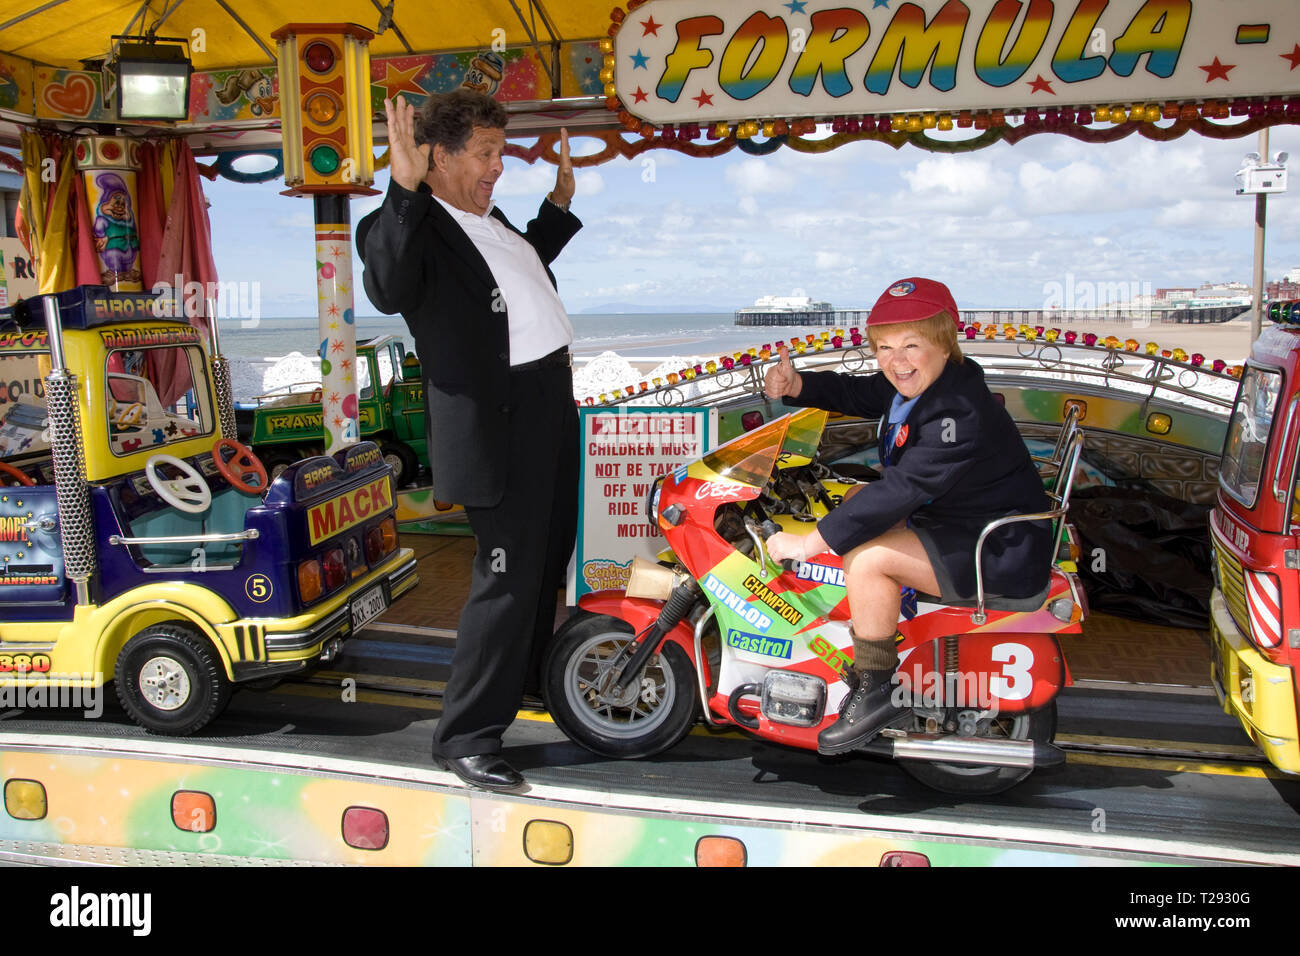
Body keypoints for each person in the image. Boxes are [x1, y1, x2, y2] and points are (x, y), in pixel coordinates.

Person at [357, 90, 581, 792]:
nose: (496, 168)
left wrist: (558, 207)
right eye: (484, 154)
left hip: (549, 405)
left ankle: (531, 683)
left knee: (547, 563)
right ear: (438, 156)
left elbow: (512, 277)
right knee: (508, 577)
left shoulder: (492, 220)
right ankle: (468, 736)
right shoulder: (405, 225)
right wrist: (401, 186)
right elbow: (389, 285)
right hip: (499, 419)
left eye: (501, 153)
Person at [763, 277, 1051, 754]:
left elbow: (906, 487)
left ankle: (874, 689)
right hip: (965, 522)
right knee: (856, 503)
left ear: (944, 343)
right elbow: (862, 395)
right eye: (884, 347)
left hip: (994, 548)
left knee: (867, 557)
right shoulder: (930, 385)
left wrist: (811, 542)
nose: (896, 361)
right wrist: (797, 385)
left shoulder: (956, 413)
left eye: (912, 345)